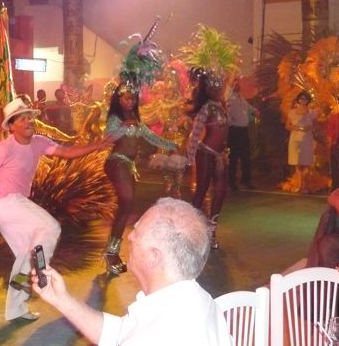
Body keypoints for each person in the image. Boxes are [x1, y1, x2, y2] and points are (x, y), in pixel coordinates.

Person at [31, 198, 241, 346]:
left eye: (137, 232)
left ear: (154, 257)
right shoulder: (197, 301)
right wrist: (62, 299)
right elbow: (120, 332)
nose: (130, 236)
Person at [0, 96, 115, 321]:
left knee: (26, 254)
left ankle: (16, 308)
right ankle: (34, 273)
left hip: (12, 205)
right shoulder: (1, 149)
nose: (29, 121)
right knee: (51, 227)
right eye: (22, 119)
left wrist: (97, 145)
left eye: (30, 117)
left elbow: (66, 152)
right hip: (4, 203)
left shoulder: (39, 142)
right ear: (11, 126)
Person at [102, 82, 177, 275]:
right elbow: (107, 138)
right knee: (126, 202)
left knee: (126, 206)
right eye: (126, 97)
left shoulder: (135, 118)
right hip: (116, 161)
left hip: (128, 164)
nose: (130, 101)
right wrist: (123, 127)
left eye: (133, 98)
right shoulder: (115, 118)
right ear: (119, 98)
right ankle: (111, 253)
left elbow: (151, 137)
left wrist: (172, 145)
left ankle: (112, 252)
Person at [187, 72, 230, 249]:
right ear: (209, 89)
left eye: (220, 86)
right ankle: (189, 230)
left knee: (221, 192)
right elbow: (196, 133)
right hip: (205, 153)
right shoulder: (206, 108)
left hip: (221, 156)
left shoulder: (221, 106)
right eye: (215, 86)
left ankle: (212, 231)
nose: (219, 89)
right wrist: (190, 158)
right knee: (201, 190)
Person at [227, 78, 258, 190]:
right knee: (233, 157)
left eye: (238, 83)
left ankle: (246, 180)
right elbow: (226, 111)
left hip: (244, 130)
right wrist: (230, 121)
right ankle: (231, 182)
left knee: (246, 156)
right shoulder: (229, 97)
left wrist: (255, 110)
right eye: (235, 83)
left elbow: (248, 107)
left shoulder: (241, 97)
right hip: (235, 130)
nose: (237, 85)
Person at [286, 91, 317, 194]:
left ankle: (304, 185)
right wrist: (294, 127)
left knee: (307, 163)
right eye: (301, 98)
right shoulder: (292, 112)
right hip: (295, 138)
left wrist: (309, 127)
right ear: (298, 100)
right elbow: (287, 125)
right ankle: (300, 185)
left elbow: (316, 125)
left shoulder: (312, 112)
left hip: (307, 138)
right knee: (297, 163)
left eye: (305, 99)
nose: (303, 100)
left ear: (308, 101)